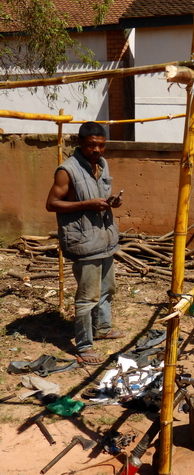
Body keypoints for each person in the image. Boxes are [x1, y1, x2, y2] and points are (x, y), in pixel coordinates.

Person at [46, 122, 125, 365]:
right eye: (92, 145)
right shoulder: (67, 170)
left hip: (105, 238)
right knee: (87, 296)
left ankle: (102, 328)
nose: (97, 150)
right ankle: (84, 345)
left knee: (106, 289)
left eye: (101, 145)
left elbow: (100, 195)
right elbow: (52, 203)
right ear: (80, 143)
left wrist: (112, 202)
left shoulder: (101, 164)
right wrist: (87, 204)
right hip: (83, 241)